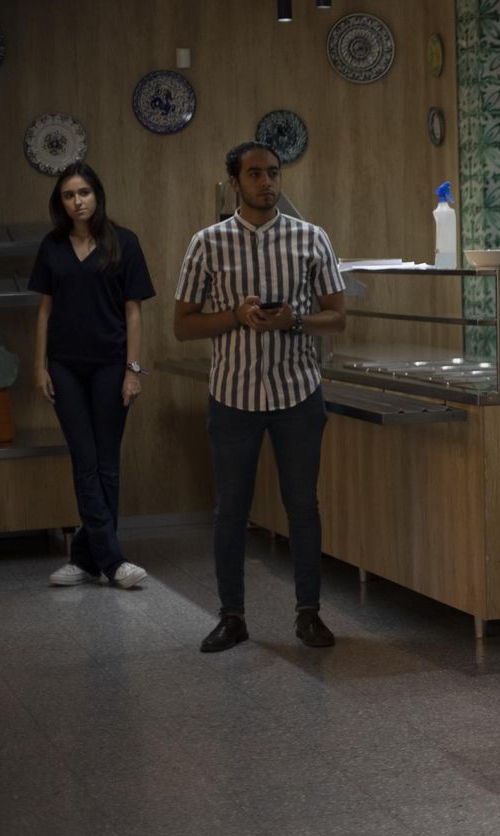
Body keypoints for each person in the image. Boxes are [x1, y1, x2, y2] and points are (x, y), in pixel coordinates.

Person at [173, 141, 346, 653]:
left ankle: (309, 614)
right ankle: (232, 617)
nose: (266, 182)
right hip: (234, 394)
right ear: (234, 182)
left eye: (273, 173)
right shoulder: (207, 243)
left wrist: (296, 320)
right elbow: (183, 325)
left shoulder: (311, 237)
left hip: (298, 392)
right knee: (231, 509)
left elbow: (337, 316)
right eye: (254, 174)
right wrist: (235, 315)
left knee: (303, 506)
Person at [29, 162, 154, 590]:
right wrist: (39, 365)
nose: (77, 201)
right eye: (68, 195)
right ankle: (114, 562)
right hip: (64, 366)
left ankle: (85, 558)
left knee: (106, 465)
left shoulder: (125, 243)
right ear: (60, 202)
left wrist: (132, 371)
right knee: (85, 461)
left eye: (83, 192)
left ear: (97, 195)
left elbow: (134, 312)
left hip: (111, 366)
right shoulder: (52, 246)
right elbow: (45, 310)